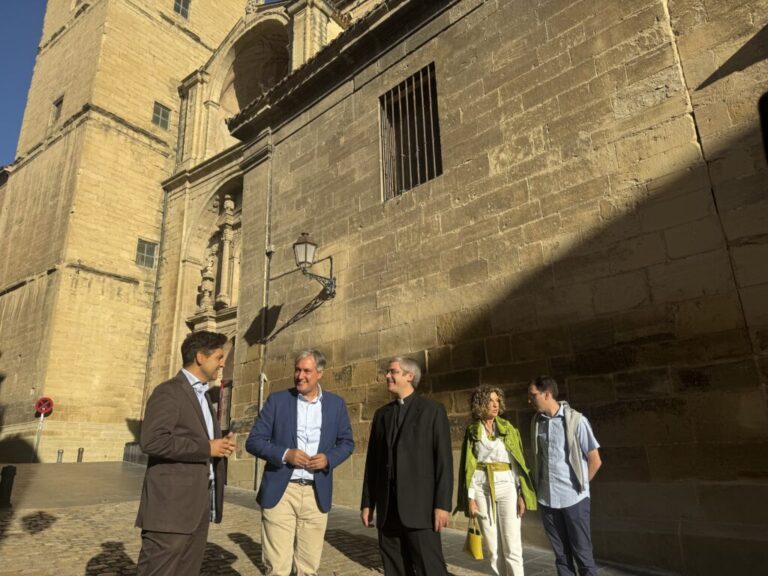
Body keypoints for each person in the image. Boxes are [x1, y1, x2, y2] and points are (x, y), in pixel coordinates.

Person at [246, 349, 354, 576]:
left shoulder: (336, 404)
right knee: (277, 568)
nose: (300, 376)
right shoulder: (277, 401)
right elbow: (254, 441)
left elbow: (347, 443)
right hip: (282, 491)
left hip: (316, 493)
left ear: (320, 373)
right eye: (297, 370)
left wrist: (328, 459)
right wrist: (285, 454)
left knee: (308, 568)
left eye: (306, 371)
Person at [136, 330, 236, 576]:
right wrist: (207, 447)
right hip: (170, 510)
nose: (222, 363)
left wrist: (220, 446)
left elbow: (195, 438)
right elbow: (152, 441)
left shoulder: (202, 395)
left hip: (197, 506)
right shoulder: (169, 391)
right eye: (219, 357)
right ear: (201, 357)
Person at [360, 356, 453, 576]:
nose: (387, 376)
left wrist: (442, 505)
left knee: (430, 569)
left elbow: (443, 461)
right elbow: (372, 463)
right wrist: (367, 503)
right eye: (388, 372)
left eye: (393, 371)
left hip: (420, 509)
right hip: (388, 509)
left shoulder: (432, 411)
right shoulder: (381, 415)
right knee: (395, 569)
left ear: (409, 376)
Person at [456, 385, 537, 576]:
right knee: (493, 548)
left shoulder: (508, 429)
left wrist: (521, 494)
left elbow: (517, 463)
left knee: (512, 545)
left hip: (507, 487)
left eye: (497, 400)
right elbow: (469, 467)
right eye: (490, 401)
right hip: (481, 489)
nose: (495, 404)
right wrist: (470, 497)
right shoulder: (473, 431)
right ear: (480, 404)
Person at [528, 376, 602, 576]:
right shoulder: (537, 422)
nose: (529, 400)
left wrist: (580, 487)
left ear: (547, 394)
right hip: (547, 500)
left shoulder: (577, 420)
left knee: (583, 556)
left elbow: (595, 460)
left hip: (574, 500)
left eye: (533, 395)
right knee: (561, 558)